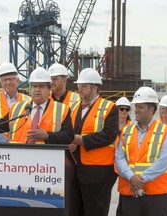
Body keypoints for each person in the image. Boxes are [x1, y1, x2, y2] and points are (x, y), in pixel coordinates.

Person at [115, 86, 167, 216]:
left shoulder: (165, 132)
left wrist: (140, 180)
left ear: (151, 109)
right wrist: (131, 177)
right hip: (129, 193)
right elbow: (119, 157)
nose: (136, 110)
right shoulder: (127, 131)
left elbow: (164, 161)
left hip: (157, 195)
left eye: (140, 107)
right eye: (136, 106)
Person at [0, 67, 74, 145]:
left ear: (49, 89)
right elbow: (0, 127)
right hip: (21, 163)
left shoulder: (62, 110)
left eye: (41, 86)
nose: (37, 89)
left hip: (48, 165)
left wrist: (47, 135)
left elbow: (69, 136)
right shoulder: (17, 108)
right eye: (34, 86)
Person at [69, 68, 119, 216]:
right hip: (75, 170)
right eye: (79, 86)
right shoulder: (74, 107)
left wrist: (82, 140)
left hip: (98, 173)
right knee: (74, 211)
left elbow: (109, 135)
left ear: (95, 88)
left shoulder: (110, 108)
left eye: (83, 86)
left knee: (95, 211)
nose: (80, 89)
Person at [0, 62, 31, 143]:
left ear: (18, 81)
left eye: (11, 79)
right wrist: (5, 142)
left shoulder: (28, 100)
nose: (8, 83)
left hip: (20, 146)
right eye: (5, 80)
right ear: (1, 82)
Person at [115, 96, 132, 216]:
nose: (125, 112)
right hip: (108, 162)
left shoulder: (132, 127)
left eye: (127, 109)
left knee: (124, 192)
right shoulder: (109, 125)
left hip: (122, 164)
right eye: (122, 109)